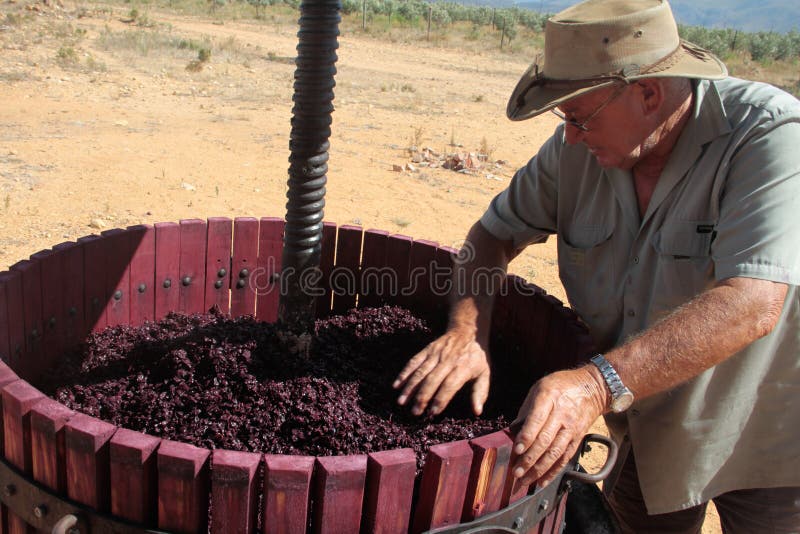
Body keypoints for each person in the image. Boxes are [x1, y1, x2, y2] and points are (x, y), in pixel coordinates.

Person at [392, 0, 800, 531]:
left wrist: (594, 386)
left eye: (579, 116)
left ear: (648, 94)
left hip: (763, 434)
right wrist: (468, 331)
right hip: (650, 428)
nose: (569, 136)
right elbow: (490, 236)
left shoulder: (767, 135)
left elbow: (751, 303)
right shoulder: (578, 150)